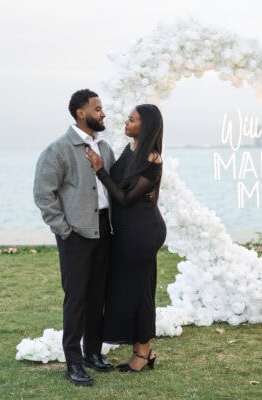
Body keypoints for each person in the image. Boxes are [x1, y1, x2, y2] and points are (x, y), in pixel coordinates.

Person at [33, 89, 115, 386]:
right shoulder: (58, 150)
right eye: (98, 108)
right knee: (77, 298)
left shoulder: (104, 147)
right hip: (76, 235)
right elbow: (44, 195)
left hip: (105, 230)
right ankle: (74, 363)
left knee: (98, 296)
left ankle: (93, 353)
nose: (103, 113)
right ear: (81, 112)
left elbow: (112, 186)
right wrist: (64, 230)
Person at [85, 103, 166, 372]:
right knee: (127, 290)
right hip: (126, 232)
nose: (126, 122)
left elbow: (124, 197)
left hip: (142, 232)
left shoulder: (152, 158)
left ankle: (143, 354)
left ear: (146, 126)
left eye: (132, 120)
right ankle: (143, 349)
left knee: (139, 290)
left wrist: (99, 169)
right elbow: (119, 187)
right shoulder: (131, 150)